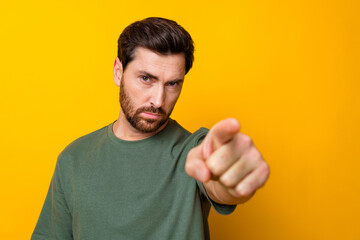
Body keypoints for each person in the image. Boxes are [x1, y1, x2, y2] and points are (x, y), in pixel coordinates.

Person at [31, 17, 269, 240]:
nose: (158, 100)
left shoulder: (194, 150)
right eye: (146, 78)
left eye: (173, 84)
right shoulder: (73, 159)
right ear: (118, 71)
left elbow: (220, 184)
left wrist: (232, 177)